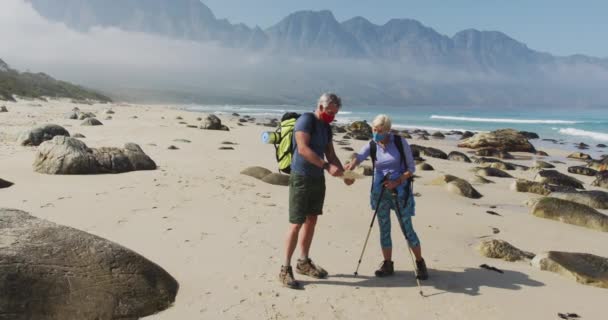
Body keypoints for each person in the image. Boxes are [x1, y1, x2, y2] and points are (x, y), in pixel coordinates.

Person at [344, 114, 428, 279]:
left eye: (380, 131)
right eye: (374, 129)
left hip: (400, 192)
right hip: (380, 192)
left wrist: (397, 181)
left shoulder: (399, 142)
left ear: (388, 130)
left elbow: (411, 169)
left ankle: (420, 263)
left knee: (407, 228)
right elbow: (359, 157)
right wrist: (350, 167)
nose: (376, 133)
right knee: (384, 228)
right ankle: (387, 264)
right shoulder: (372, 144)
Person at [279, 93, 346, 289]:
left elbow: (331, 154)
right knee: (295, 223)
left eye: (335, 113)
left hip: (317, 179)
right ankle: (285, 268)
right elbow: (302, 149)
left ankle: (303, 262)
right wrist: (327, 167)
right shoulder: (306, 120)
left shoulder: (326, 128)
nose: (331, 116)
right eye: (329, 111)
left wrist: (344, 175)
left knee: (312, 219)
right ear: (320, 106)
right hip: (301, 177)